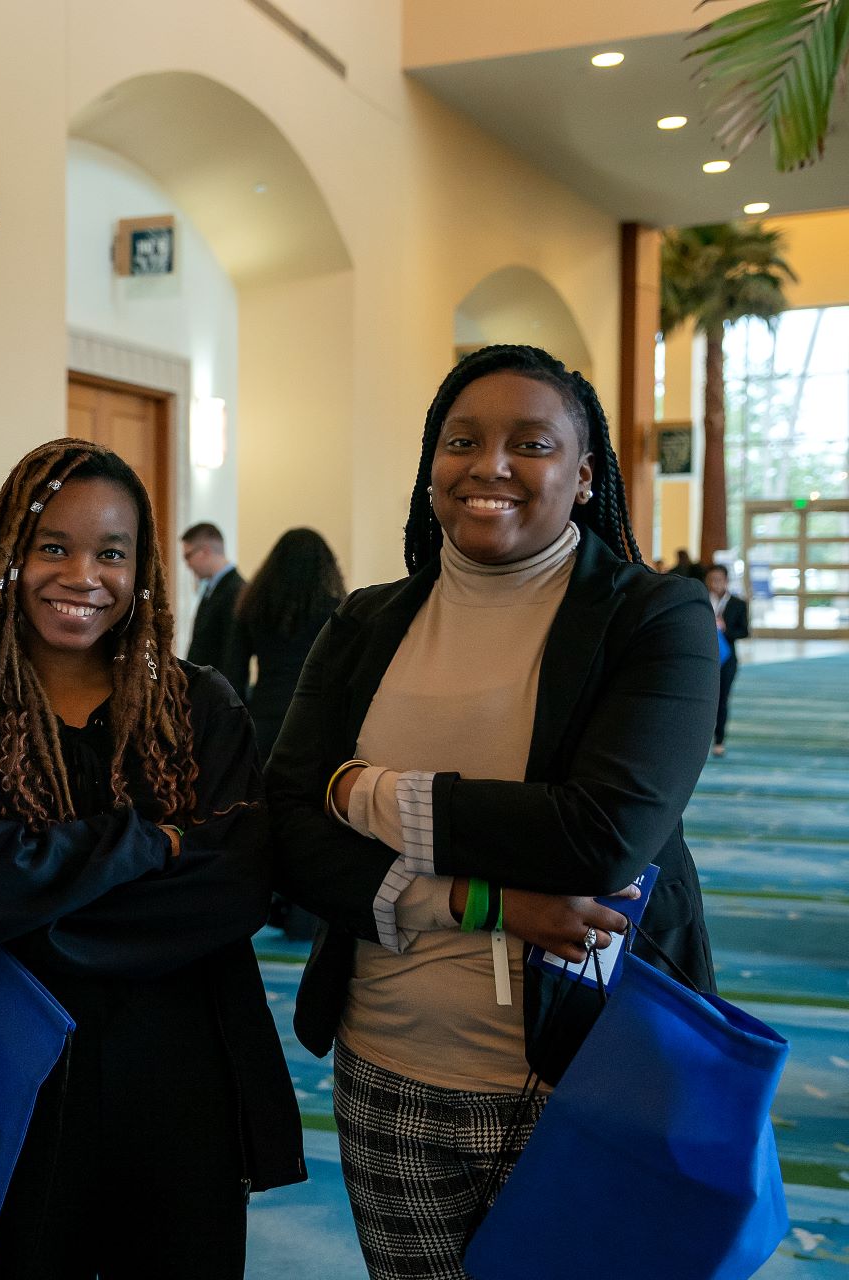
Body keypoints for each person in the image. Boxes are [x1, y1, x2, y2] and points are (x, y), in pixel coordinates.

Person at [269, 345, 718, 1280]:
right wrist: (489, 903)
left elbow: (600, 836)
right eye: (460, 440)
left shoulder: (656, 620)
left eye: (532, 443)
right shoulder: (365, 623)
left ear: (586, 473)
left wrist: (366, 791)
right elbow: (287, 829)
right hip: (384, 1066)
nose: (491, 465)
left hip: (583, 1078)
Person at [0, 438, 305, 1280]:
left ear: (141, 569)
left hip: (187, 1079)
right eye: (54, 547)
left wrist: (38, 905)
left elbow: (238, 889)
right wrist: (151, 841)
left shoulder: (200, 705)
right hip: (19, 1076)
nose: (83, 575)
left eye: (111, 553)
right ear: (10, 556)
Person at [226, 526, 345, 761]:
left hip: (264, 716)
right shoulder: (333, 611)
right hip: (314, 722)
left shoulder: (254, 607)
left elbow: (233, 673)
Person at [183, 520, 243, 668]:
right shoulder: (212, 588)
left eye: (188, 555)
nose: (187, 564)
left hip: (218, 687)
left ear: (205, 551)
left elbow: (233, 655)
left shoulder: (236, 590)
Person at [707, 562, 750, 757]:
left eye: (719, 580)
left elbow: (744, 631)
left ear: (726, 581)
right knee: (705, 701)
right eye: (711, 580)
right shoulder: (701, 602)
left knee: (722, 699)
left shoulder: (738, 604)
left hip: (727, 659)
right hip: (705, 658)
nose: (715, 584)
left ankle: (719, 739)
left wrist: (725, 629)